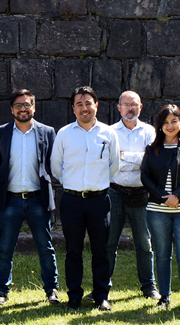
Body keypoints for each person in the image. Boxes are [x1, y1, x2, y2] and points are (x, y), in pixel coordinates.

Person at [51, 86, 120, 311]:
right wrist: (73, 185)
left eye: (88, 103)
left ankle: (101, 296)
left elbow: (114, 167)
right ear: (73, 108)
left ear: (96, 105)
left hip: (99, 200)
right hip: (72, 201)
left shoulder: (109, 134)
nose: (84, 108)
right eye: (79, 104)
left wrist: (96, 184)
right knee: (73, 250)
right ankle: (74, 295)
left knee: (101, 250)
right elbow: (56, 167)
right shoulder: (64, 134)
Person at [0, 89, 59, 306]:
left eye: (27, 104)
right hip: (10, 200)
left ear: (34, 107)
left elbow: (52, 162)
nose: (23, 108)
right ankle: (1, 291)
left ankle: (51, 290)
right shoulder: (0, 132)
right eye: (18, 105)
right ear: (12, 109)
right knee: (5, 248)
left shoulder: (47, 132)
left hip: (38, 199)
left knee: (45, 247)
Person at [140, 104, 180, 311]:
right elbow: (145, 176)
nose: (170, 125)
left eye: (174, 121)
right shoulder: (152, 148)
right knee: (162, 255)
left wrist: (177, 196)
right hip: (158, 210)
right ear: (160, 126)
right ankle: (164, 297)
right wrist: (163, 197)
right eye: (165, 122)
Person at [105, 91, 159, 300]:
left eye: (134, 105)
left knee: (144, 243)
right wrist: (138, 159)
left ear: (140, 107)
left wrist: (124, 157)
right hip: (115, 191)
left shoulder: (149, 131)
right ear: (118, 108)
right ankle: (103, 287)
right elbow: (110, 161)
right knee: (109, 242)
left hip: (141, 192)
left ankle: (149, 287)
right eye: (126, 105)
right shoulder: (109, 132)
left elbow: (151, 161)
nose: (130, 108)